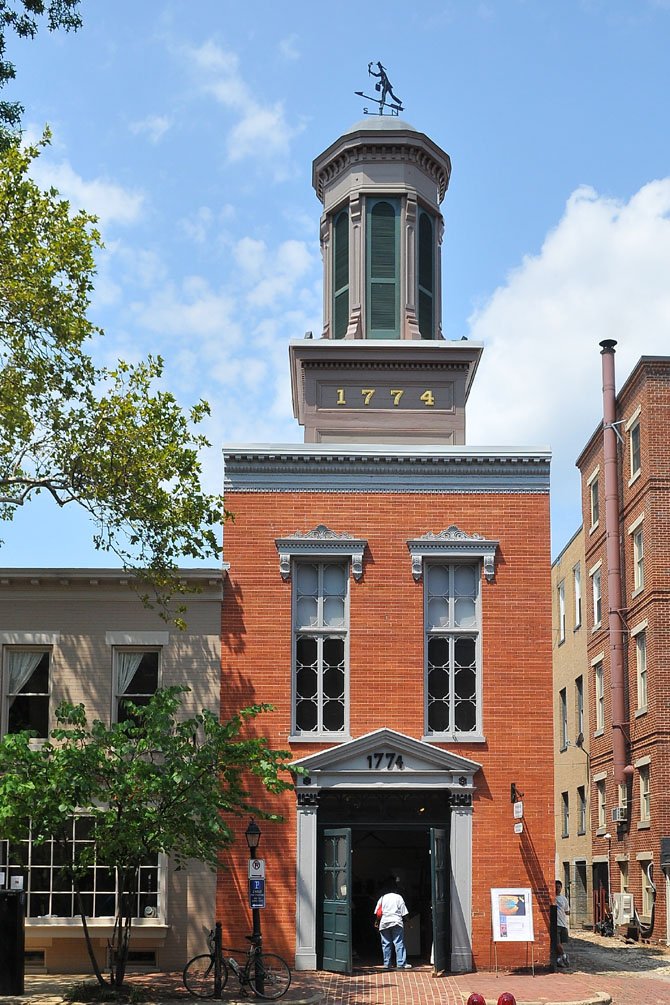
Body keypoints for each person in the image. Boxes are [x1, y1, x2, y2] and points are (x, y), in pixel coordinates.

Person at [374, 878, 412, 970]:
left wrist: (376, 922)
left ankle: (387, 964)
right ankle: (401, 963)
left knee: (386, 944)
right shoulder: (398, 897)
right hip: (396, 922)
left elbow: (378, 913)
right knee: (398, 943)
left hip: (384, 922)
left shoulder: (382, 898)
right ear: (395, 889)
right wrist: (409, 922)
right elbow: (404, 912)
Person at [555, 879, 571, 967]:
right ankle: (564, 956)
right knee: (557, 943)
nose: (557, 889)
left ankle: (558, 959)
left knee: (560, 943)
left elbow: (567, 911)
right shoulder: (552, 897)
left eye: (559, 887)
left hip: (563, 923)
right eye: (556, 887)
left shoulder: (563, 899)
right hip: (555, 924)